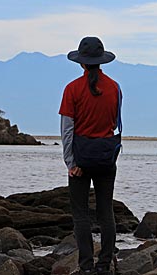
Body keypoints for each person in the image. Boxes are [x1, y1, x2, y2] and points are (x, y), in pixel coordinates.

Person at [59, 36, 122, 275]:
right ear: (101, 61)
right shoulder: (114, 87)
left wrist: (70, 162)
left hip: (81, 159)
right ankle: (104, 265)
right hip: (106, 157)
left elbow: (67, 130)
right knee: (106, 213)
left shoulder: (72, 89)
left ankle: (86, 267)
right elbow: (115, 122)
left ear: (81, 63)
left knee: (81, 214)